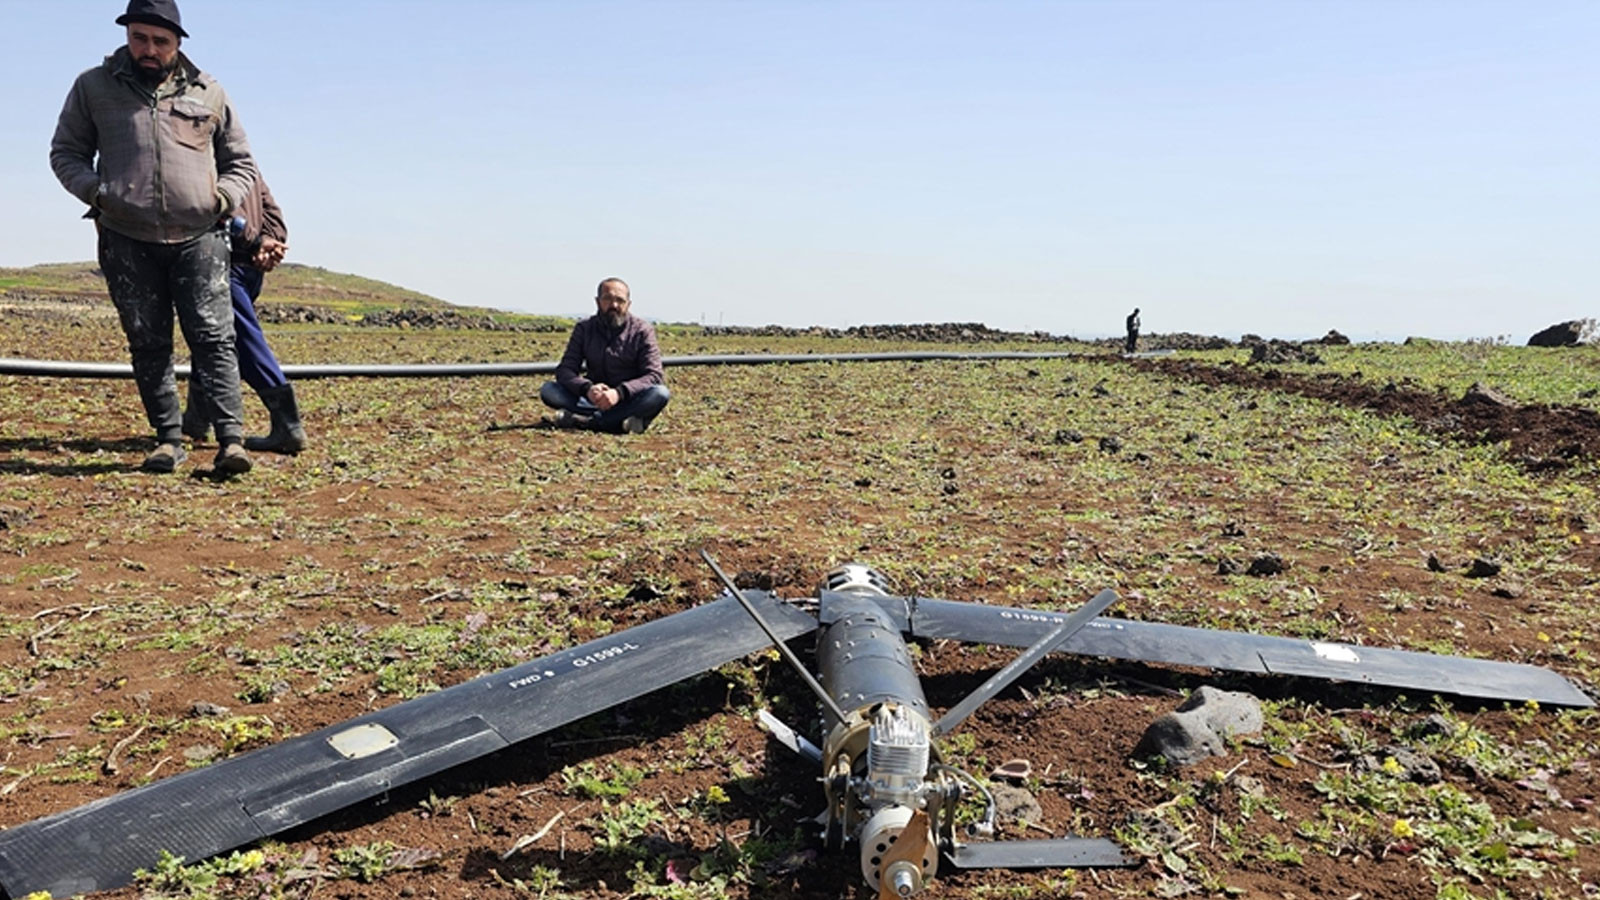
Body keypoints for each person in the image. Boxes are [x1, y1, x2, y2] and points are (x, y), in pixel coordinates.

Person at [51, 0, 258, 475]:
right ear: (128, 36)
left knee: (214, 338)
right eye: (140, 38)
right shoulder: (93, 87)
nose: (149, 49)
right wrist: (98, 194)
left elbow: (240, 161)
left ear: (178, 43)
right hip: (126, 238)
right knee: (147, 341)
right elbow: (65, 152)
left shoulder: (210, 92)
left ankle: (232, 442)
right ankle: (167, 440)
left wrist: (221, 199)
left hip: (200, 237)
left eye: (160, 42)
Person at [182, 175, 307, 454]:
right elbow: (271, 210)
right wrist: (272, 241)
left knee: (240, 341)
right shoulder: (247, 167)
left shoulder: (206, 160)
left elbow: (224, 212)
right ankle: (196, 419)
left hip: (224, 264)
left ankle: (288, 426)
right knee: (210, 337)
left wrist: (258, 242)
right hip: (250, 269)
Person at [540, 278, 670, 434]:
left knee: (660, 393)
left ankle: (589, 421)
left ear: (628, 304)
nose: (614, 305)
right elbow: (565, 370)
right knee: (549, 390)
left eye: (620, 300)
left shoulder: (642, 331)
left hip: (628, 400)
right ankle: (617, 422)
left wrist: (619, 393)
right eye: (607, 299)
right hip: (592, 400)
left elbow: (654, 375)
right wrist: (587, 388)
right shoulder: (584, 328)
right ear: (597, 301)